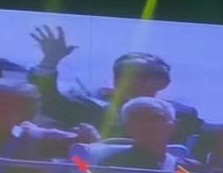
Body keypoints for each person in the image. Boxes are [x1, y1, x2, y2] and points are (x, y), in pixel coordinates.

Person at [28, 34, 202, 143]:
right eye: (122, 74)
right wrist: (49, 61)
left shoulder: (183, 115)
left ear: (162, 82)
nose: (129, 81)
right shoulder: (93, 108)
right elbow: (48, 101)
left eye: (140, 75)